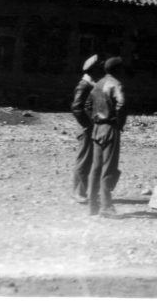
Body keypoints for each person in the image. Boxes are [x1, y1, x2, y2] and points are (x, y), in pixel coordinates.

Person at [87, 57, 127, 217]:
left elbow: (88, 105)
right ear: (117, 70)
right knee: (109, 168)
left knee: (96, 168)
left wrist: (95, 118)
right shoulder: (116, 84)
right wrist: (119, 122)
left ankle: (92, 205)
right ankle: (106, 206)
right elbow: (122, 103)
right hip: (110, 128)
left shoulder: (98, 84)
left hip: (97, 128)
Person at [71, 54, 104, 203]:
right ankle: (78, 192)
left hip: (89, 128)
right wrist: (87, 126)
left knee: (88, 159)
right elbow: (76, 108)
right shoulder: (84, 85)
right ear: (93, 70)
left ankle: (83, 191)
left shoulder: (90, 84)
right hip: (86, 130)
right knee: (83, 160)